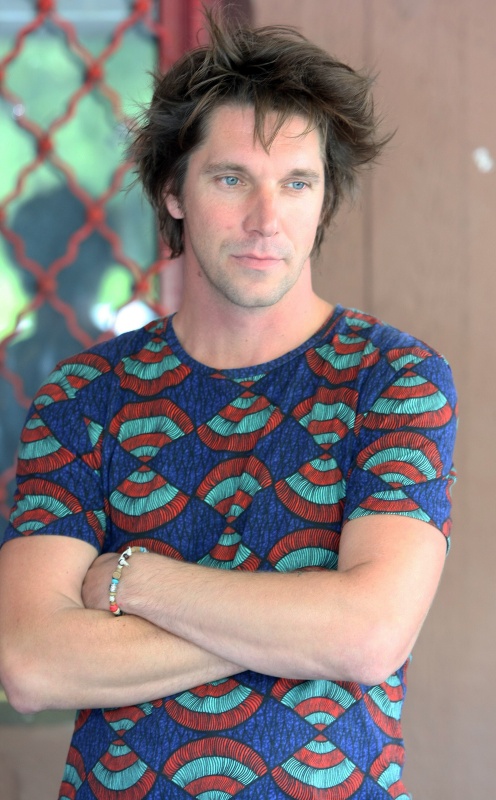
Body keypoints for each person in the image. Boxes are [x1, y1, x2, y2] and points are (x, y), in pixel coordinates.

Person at [0, 12, 457, 799]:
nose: (265, 219)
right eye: (231, 178)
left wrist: (133, 582)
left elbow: (370, 635)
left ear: (324, 201)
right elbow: (32, 664)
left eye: (296, 183)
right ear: (172, 191)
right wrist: (305, 625)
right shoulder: (83, 397)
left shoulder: (393, 379)